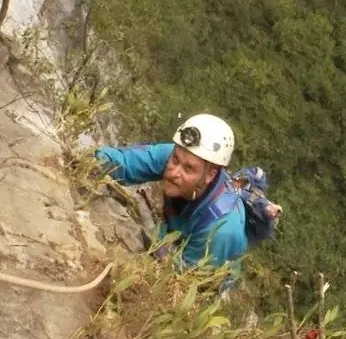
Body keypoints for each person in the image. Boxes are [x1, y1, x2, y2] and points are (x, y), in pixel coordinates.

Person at [93, 113, 248, 274]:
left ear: (210, 175)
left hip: (212, 262)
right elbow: (124, 162)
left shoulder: (221, 230)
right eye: (175, 159)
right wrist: (92, 161)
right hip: (179, 228)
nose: (174, 171)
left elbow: (187, 281)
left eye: (188, 169)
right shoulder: (179, 157)